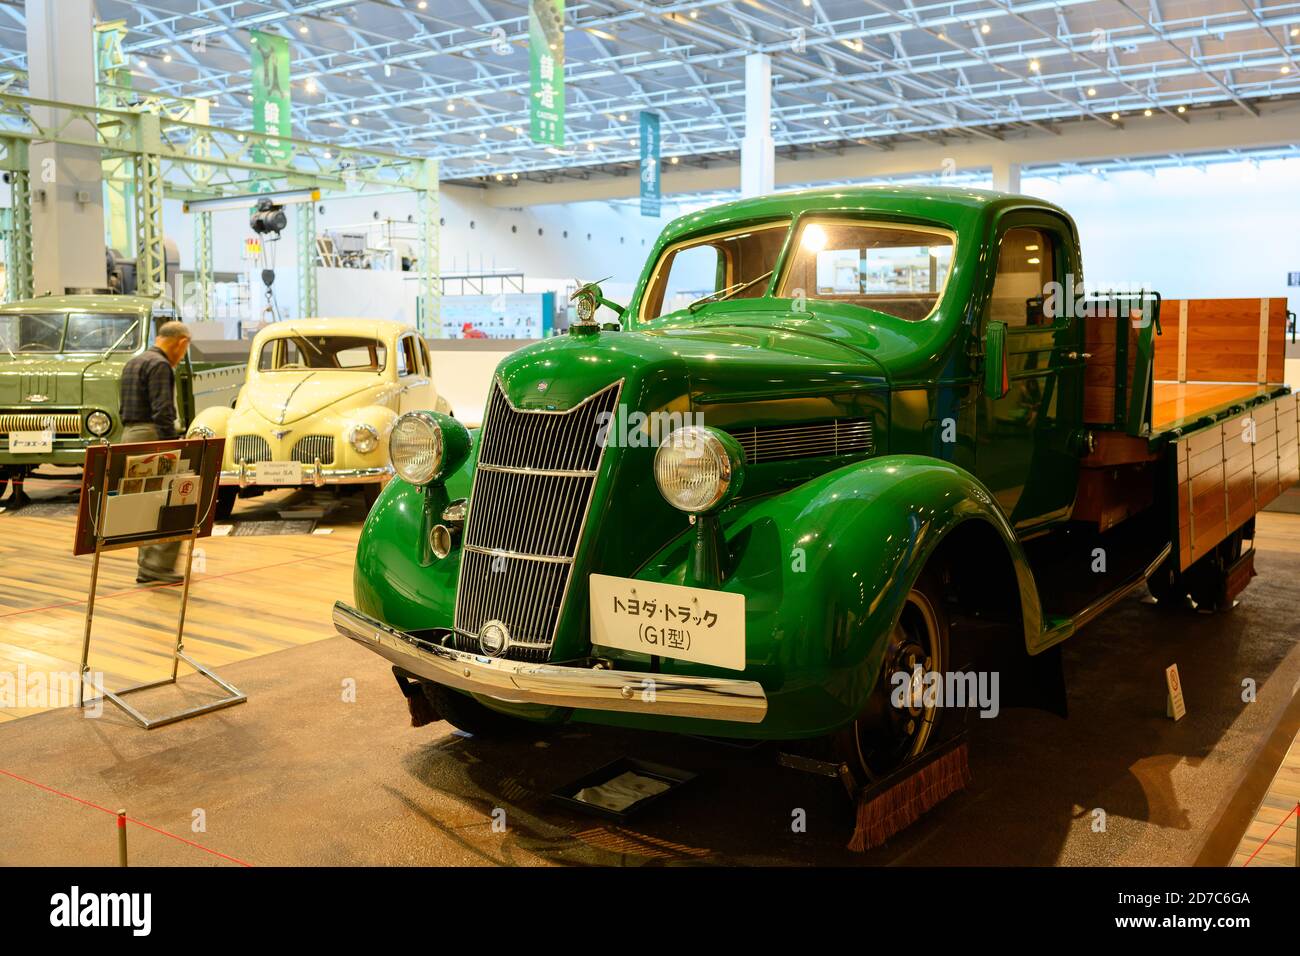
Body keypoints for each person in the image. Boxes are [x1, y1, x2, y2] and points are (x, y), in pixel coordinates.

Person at [119, 320, 192, 584]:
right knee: (171, 503)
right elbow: (163, 411)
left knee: (145, 506)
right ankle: (159, 568)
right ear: (181, 343)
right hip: (152, 437)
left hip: (130, 437)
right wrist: (173, 446)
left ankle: (146, 567)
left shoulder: (133, 362)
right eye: (185, 350)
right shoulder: (160, 365)